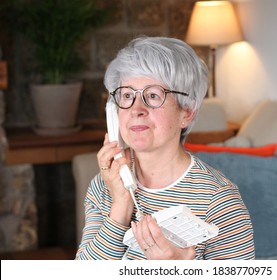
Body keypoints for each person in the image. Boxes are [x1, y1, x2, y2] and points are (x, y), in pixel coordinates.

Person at [75, 36, 255, 260]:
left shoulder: (220, 202)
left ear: (186, 113)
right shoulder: (105, 186)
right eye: (127, 95)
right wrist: (120, 209)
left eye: (152, 95)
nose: (136, 109)